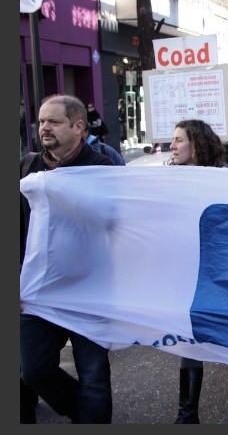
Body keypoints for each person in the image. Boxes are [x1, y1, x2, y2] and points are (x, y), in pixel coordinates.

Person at [20, 94, 115, 424]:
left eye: (53, 121)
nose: (44, 127)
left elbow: (115, 223)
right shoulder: (27, 166)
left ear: (78, 127)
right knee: (32, 369)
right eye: (42, 121)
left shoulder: (103, 169)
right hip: (38, 291)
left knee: (94, 377)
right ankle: (82, 410)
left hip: (89, 291)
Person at [167, 119, 228, 423]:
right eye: (173, 140)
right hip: (185, 271)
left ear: (197, 144)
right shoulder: (168, 178)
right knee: (188, 336)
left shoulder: (225, 178)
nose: (172, 146)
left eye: (179, 140)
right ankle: (187, 413)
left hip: (218, 271)